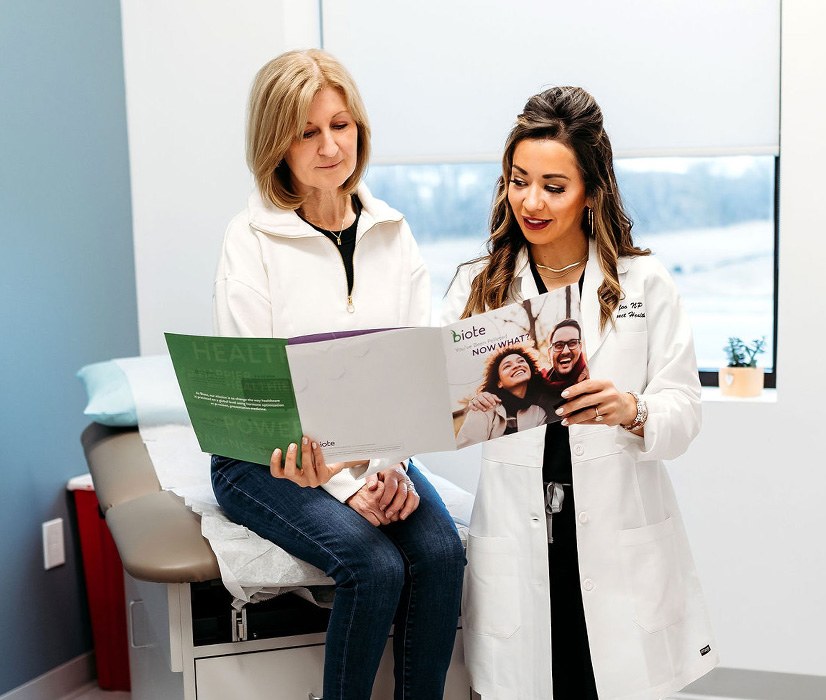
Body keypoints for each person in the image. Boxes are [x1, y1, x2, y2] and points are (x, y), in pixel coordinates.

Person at [443, 87, 717, 699]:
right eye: (519, 180)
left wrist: (633, 410)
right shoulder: (478, 289)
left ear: (592, 189)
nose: (530, 201)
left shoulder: (645, 282)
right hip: (520, 532)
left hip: (613, 531)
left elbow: (684, 409)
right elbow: (437, 400)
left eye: (554, 186)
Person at [210, 49, 464, 700]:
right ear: (277, 144)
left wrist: (390, 466)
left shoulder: (394, 235)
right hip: (265, 454)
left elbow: (411, 371)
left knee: (439, 554)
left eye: (341, 125)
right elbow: (262, 396)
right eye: (307, 131)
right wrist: (350, 487)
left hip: (372, 446)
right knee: (374, 565)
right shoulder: (250, 240)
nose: (331, 145)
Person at [456, 345, 548, 447]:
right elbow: (468, 449)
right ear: (499, 382)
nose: (517, 365)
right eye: (507, 366)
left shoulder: (538, 413)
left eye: (521, 361)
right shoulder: (484, 406)